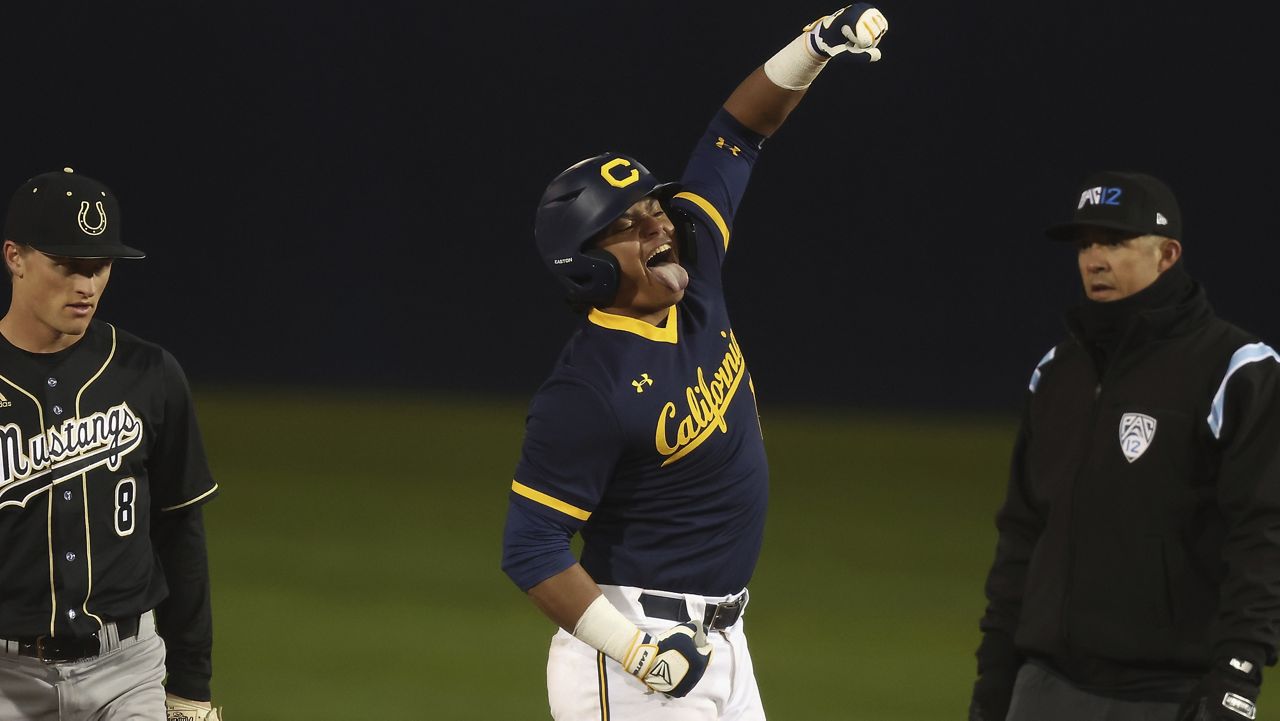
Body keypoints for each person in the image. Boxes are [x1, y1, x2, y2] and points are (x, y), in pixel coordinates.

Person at [499, 4, 889, 719]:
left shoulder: (697, 265)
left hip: (726, 643)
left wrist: (817, 44)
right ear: (584, 269)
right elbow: (530, 547)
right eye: (626, 224)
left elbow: (737, 132)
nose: (658, 224)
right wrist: (636, 651)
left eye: (653, 206)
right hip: (636, 658)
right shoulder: (588, 388)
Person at [969, 171, 1280, 721]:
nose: (1094, 259)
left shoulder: (1237, 370)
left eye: (1114, 241)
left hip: (1171, 693)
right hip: (1045, 686)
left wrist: (1237, 675)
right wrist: (994, 679)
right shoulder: (1058, 371)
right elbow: (1021, 534)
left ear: (1168, 254)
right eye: (1085, 244)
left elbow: (1263, 532)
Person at [0, 168, 223, 721]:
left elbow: (180, 531)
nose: (87, 285)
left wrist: (192, 687)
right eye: (67, 265)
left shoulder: (150, 373)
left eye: (99, 267)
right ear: (15, 257)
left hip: (129, 674)